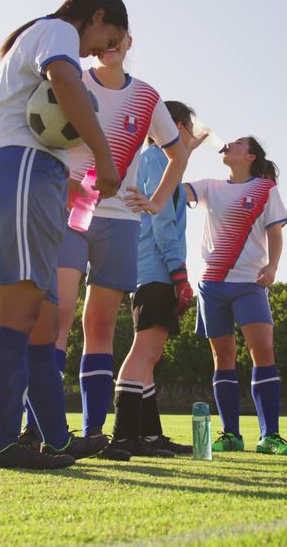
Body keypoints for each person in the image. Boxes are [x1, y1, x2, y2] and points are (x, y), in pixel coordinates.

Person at [0, 0, 139, 470]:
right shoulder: (57, 29)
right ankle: (3, 446)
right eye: (104, 40)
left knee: (44, 326)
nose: (96, 53)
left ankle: (57, 440)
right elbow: (64, 78)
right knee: (18, 316)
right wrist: (103, 155)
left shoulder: (46, 35)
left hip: (33, 179)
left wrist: (61, 181)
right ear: (98, 16)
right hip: (20, 173)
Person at [17, 33, 190, 462]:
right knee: (56, 316)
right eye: (103, 36)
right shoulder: (71, 80)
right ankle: (36, 428)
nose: (110, 43)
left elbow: (178, 154)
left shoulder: (148, 96)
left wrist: (153, 200)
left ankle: (95, 432)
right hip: (72, 211)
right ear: (92, 43)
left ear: (129, 40)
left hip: (122, 220)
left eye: (119, 34)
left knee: (101, 327)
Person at [183, 136, 287, 455]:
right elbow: (171, 193)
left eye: (237, 143)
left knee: (263, 352)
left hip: (250, 282)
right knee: (223, 359)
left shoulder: (265, 189)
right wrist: (182, 150)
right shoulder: (209, 186)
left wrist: (272, 267)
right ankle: (231, 435)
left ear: (249, 156)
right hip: (212, 283)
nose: (228, 144)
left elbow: (275, 233)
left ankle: (270, 436)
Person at [110, 100, 205, 457]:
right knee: (145, 351)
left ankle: (149, 437)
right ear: (176, 127)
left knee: (150, 356)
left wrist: (187, 149)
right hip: (157, 271)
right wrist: (179, 273)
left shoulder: (152, 159)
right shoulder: (158, 160)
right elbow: (163, 219)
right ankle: (123, 436)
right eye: (188, 130)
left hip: (148, 271)